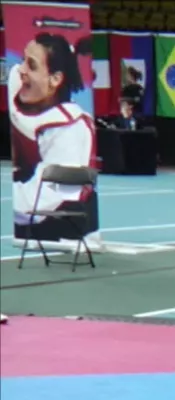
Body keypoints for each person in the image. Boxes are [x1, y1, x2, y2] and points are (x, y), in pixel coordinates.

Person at [8, 32, 100, 250]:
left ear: (55, 79)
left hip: (60, 231)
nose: (21, 70)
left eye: (31, 65)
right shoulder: (20, 88)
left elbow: (40, 202)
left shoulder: (70, 129)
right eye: (22, 60)